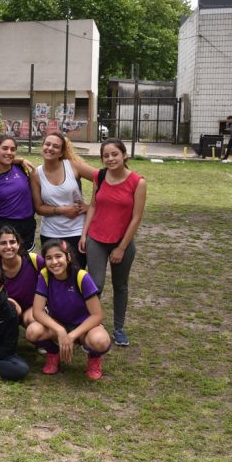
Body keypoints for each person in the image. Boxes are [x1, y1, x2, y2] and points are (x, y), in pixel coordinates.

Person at [80, 138, 147, 347]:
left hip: (122, 242)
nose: (110, 159)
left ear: (124, 155)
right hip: (96, 239)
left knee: (120, 286)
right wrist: (84, 235)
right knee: (95, 285)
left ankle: (118, 329)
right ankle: (89, 327)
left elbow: (136, 218)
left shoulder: (138, 182)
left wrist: (121, 247)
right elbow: (92, 206)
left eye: (114, 154)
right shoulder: (99, 176)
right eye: (106, 155)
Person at [25, 240, 111, 379]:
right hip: (59, 324)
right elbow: (38, 311)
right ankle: (53, 353)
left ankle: (94, 358)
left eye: (58, 256)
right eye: (49, 258)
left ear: (68, 257)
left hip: (84, 327)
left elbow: (97, 315)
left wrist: (71, 336)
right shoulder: (45, 275)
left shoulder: (81, 276)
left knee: (100, 341)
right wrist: (60, 330)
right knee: (32, 331)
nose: (54, 262)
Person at [35, 131, 98, 268]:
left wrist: (90, 206)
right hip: (50, 233)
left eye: (56, 146)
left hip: (77, 231)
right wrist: (62, 210)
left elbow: (100, 178)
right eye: (47, 144)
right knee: (53, 273)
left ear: (62, 151)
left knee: (76, 273)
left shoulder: (72, 165)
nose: (50, 148)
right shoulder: (36, 174)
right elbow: (38, 207)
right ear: (42, 146)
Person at [0, 134, 39, 252]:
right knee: (3, 262)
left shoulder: (22, 168)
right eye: (4, 148)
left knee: (25, 262)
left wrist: (20, 160)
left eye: (13, 149)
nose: (9, 152)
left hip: (27, 224)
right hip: (3, 224)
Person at [0, 225, 43, 328]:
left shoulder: (33, 260)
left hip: (33, 307)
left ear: (18, 244)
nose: (8, 246)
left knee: (33, 323)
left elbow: (53, 280)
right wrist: (8, 301)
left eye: (12, 242)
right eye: (3, 243)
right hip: (7, 308)